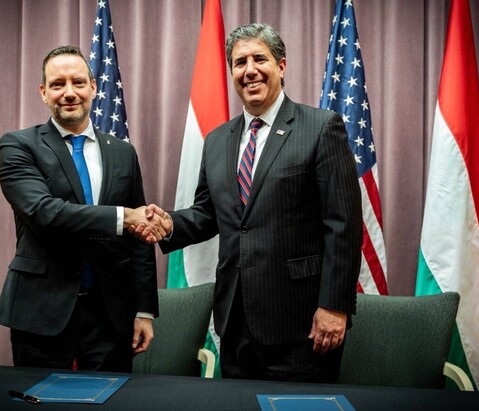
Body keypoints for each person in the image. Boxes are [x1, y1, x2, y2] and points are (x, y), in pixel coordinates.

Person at [138, 24, 362, 382]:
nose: (250, 70)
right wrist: (169, 224)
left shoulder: (320, 128)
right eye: (240, 62)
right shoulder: (217, 140)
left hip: (301, 323)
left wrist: (334, 306)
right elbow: (208, 213)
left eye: (260, 59)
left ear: (281, 66)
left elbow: (343, 226)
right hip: (235, 323)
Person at [0, 45, 169, 372]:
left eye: (77, 82)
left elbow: (140, 238)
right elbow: (45, 213)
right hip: (41, 310)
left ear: (93, 87)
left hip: (110, 314)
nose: (69, 92)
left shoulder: (123, 153)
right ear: (43, 92)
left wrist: (144, 310)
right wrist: (122, 216)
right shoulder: (19, 145)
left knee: (112, 395)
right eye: (57, 84)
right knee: (39, 395)